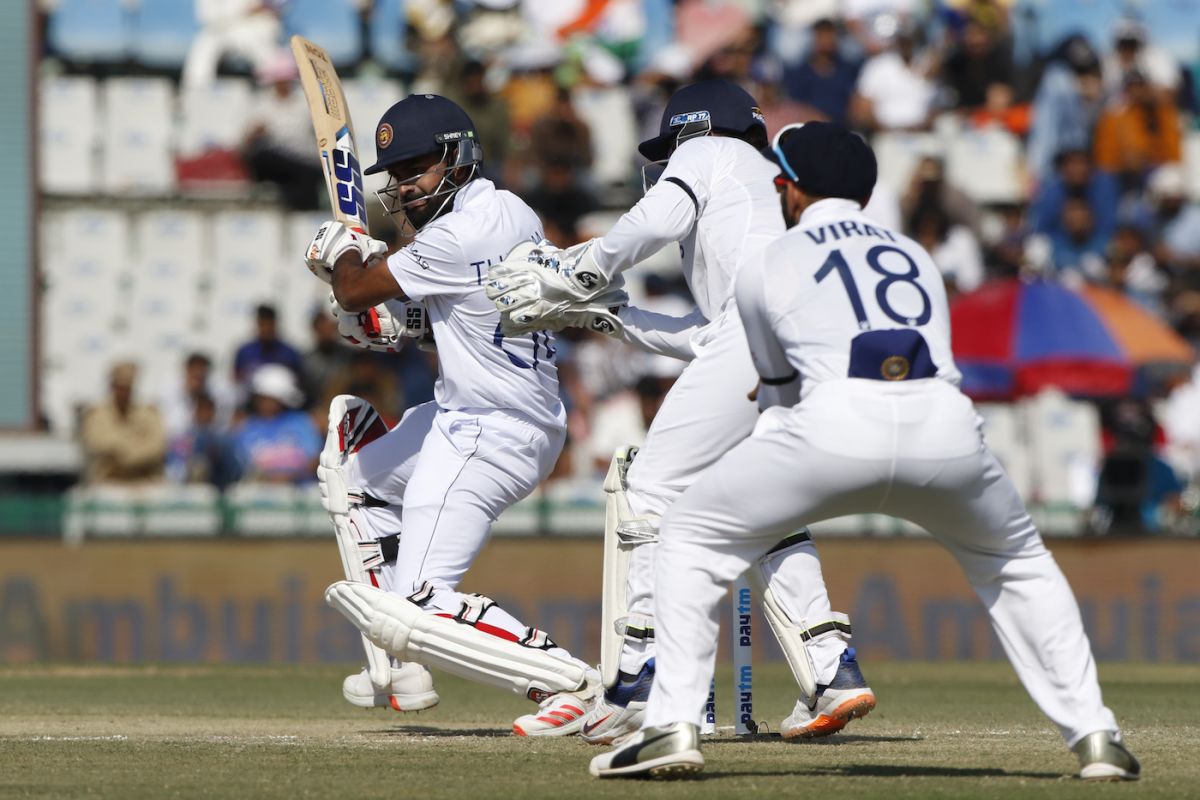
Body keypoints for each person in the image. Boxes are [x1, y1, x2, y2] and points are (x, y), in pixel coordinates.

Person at [588, 122, 1140, 782]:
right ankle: (1097, 735)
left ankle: (671, 726)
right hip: (946, 429)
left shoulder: (770, 259)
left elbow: (776, 394)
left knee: (687, 534)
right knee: (1021, 564)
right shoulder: (915, 253)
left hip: (833, 424)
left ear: (788, 187)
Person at [485, 81, 875, 744]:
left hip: (755, 335)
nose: (666, 163)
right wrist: (606, 312)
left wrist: (578, 268)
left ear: (693, 131)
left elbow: (654, 224)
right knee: (767, 512)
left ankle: (642, 673)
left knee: (652, 487)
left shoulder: (708, 152)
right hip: (800, 345)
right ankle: (831, 668)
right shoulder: (762, 192)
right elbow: (704, 335)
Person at [308, 94, 601, 736]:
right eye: (397, 174)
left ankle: (568, 680)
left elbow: (357, 287)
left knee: (418, 607)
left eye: (416, 168)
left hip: (488, 429)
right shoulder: (509, 210)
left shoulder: (461, 231)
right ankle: (400, 670)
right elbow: (461, 318)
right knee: (353, 480)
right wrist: (401, 322)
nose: (404, 187)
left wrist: (341, 255)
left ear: (459, 157)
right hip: (480, 413)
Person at [229, 364, 321, 484]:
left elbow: (315, 460)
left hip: (299, 493)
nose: (267, 403)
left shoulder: (301, 422)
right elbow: (242, 466)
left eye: (272, 398)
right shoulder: (247, 427)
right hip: (257, 493)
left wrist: (287, 477)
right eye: (263, 398)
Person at [80, 362, 167, 484]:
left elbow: (157, 446)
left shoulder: (149, 413)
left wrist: (129, 455)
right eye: (119, 387)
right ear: (112, 387)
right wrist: (127, 446)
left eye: (127, 388)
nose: (123, 393)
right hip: (109, 480)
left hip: (144, 480)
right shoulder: (97, 414)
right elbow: (95, 443)